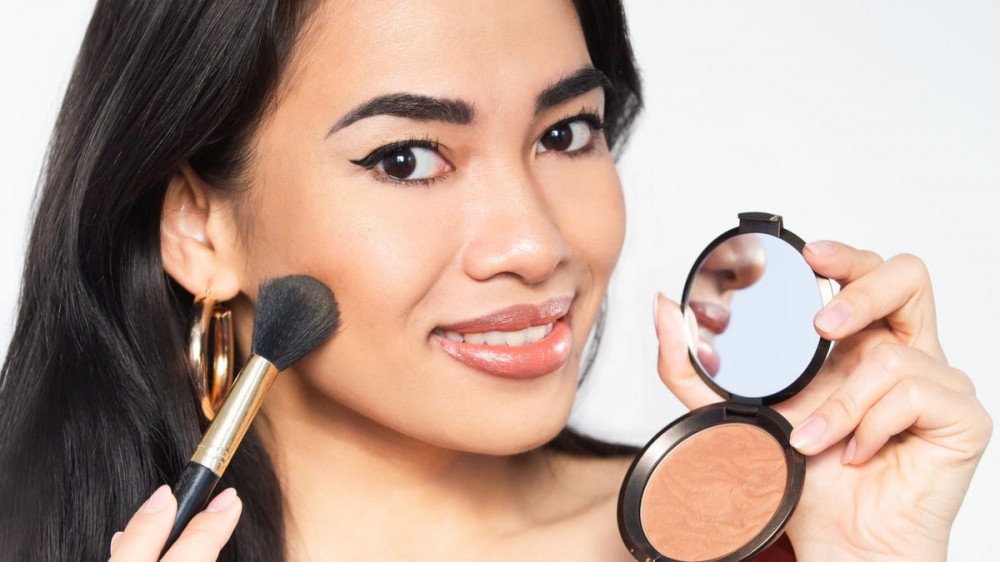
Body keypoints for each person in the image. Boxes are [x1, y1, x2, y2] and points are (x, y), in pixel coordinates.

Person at [0, 1, 990, 560]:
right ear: (198, 223)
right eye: (406, 158)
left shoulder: (759, 540)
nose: (532, 241)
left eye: (566, 133)